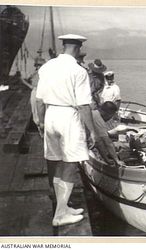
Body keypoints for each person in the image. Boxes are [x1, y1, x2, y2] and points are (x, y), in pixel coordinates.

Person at [36, 34, 99, 227]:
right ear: (78, 48)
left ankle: (61, 207)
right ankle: (61, 214)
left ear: (64, 46)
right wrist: (93, 131)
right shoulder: (78, 71)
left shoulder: (47, 67)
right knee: (71, 164)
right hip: (68, 116)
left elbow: (39, 99)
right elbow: (83, 106)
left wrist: (40, 122)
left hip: (50, 114)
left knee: (55, 161)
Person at [90, 101, 125, 166]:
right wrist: (117, 160)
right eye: (111, 116)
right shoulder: (99, 120)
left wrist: (106, 159)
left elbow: (99, 141)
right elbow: (107, 143)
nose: (110, 119)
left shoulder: (93, 113)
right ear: (107, 113)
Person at [28, 56, 46, 134]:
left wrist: (22, 81)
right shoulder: (39, 74)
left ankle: (41, 130)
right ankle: (41, 130)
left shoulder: (37, 74)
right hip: (41, 92)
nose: (38, 66)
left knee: (36, 111)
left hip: (36, 92)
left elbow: (33, 86)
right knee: (37, 111)